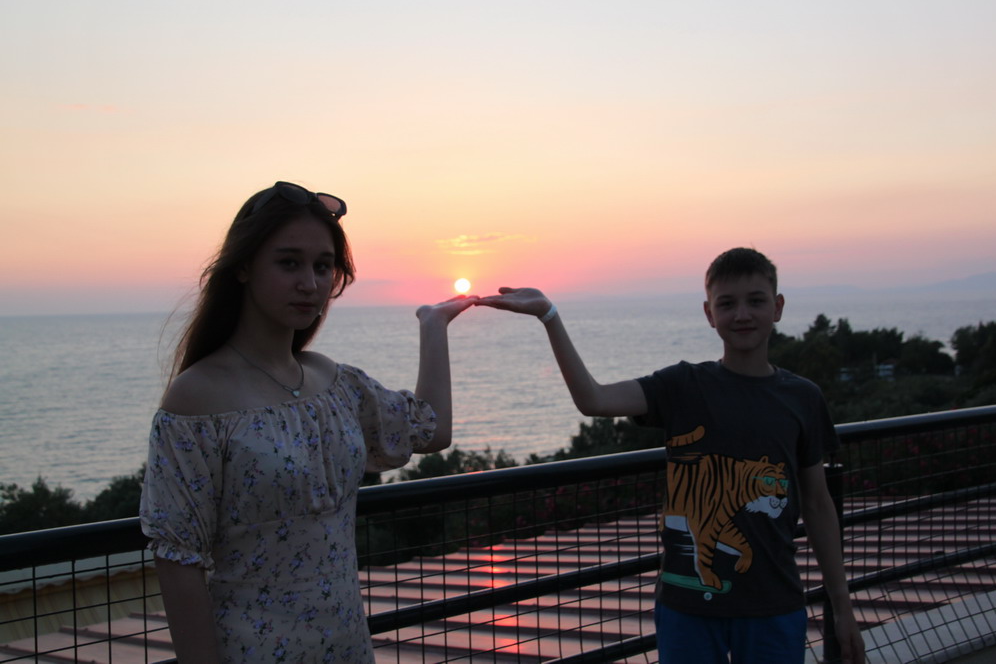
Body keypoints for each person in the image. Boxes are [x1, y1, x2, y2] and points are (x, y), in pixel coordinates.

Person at [139, 181, 476, 663]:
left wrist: (433, 325)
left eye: (323, 267)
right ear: (243, 267)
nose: (310, 284)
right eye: (289, 263)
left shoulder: (334, 382)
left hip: (348, 648)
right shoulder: (197, 399)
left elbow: (431, 430)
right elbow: (178, 559)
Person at [477, 247, 865, 664]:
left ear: (778, 307)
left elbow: (818, 504)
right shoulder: (683, 385)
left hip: (775, 604)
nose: (742, 314)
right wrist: (549, 316)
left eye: (756, 300)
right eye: (727, 304)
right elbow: (593, 399)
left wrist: (842, 607)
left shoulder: (803, 398)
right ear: (709, 313)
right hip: (688, 606)